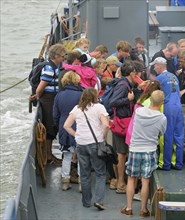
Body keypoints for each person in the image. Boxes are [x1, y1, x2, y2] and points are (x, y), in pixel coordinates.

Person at [120, 90, 166, 218]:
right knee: (145, 181)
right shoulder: (162, 118)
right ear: (161, 103)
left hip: (135, 149)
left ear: (150, 100)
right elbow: (161, 133)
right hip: (149, 150)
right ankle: (143, 209)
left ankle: (128, 208)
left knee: (131, 179)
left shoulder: (139, 112)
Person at [63, 88, 109, 210]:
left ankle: (86, 202)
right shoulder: (99, 107)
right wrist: (103, 137)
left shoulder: (77, 109)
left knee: (84, 174)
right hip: (95, 143)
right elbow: (106, 125)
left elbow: (66, 126)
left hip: (81, 144)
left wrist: (76, 135)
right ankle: (99, 201)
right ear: (95, 96)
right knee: (100, 173)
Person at [107, 60, 143, 194]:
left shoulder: (125, 84)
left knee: (121, 153)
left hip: (123, 122)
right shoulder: (123, 86)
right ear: (132, 73)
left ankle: (120, 181)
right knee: (122, 154)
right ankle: (121, 183)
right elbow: (113, 102)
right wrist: (128, 99)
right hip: (123, 123)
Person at [30, 43, 66, 165]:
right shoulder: (49, 69)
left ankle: (50, 155)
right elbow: (40, 88)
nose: (63, 58)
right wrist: (38, 96)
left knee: (52, 126)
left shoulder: (55, 66)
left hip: (52, 98)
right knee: (50, 126)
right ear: (55, 56)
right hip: (48, 100)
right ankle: (48, 156)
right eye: (62, 56)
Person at [152, 57, 185, 170]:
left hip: (167, 107)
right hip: (178, 107)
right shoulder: (174, 76)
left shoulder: (159, 78)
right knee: (179, 135)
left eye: (155, 66)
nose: (154, 68)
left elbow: (152, 93)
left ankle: (165, 164)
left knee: (166, 136)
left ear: (159, 66)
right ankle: (177, 163)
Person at [53, 71, 83, 191]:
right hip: (80, 127)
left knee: (66, 155)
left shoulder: (59, 95)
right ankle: (82, 182)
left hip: (64, 127)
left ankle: (65, 181)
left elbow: (55, 114)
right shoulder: (81, 95)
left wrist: (58, 127)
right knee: (81, 156)